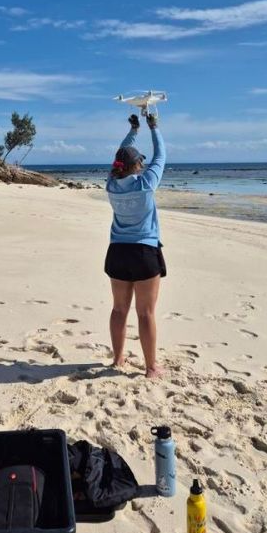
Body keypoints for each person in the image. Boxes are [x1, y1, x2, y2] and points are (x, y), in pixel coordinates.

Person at [104, 112, 166, 378]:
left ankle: (118, 359)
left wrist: (133, 130)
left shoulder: (111, 184)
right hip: (143, 252)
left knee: (119, 309)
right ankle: (151, 368)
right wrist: (154, 128)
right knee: (146, 313)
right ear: (138, 165)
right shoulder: (145, 183)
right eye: (140, 160)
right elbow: (160, 154)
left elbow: (121, 154)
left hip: (117, 252)